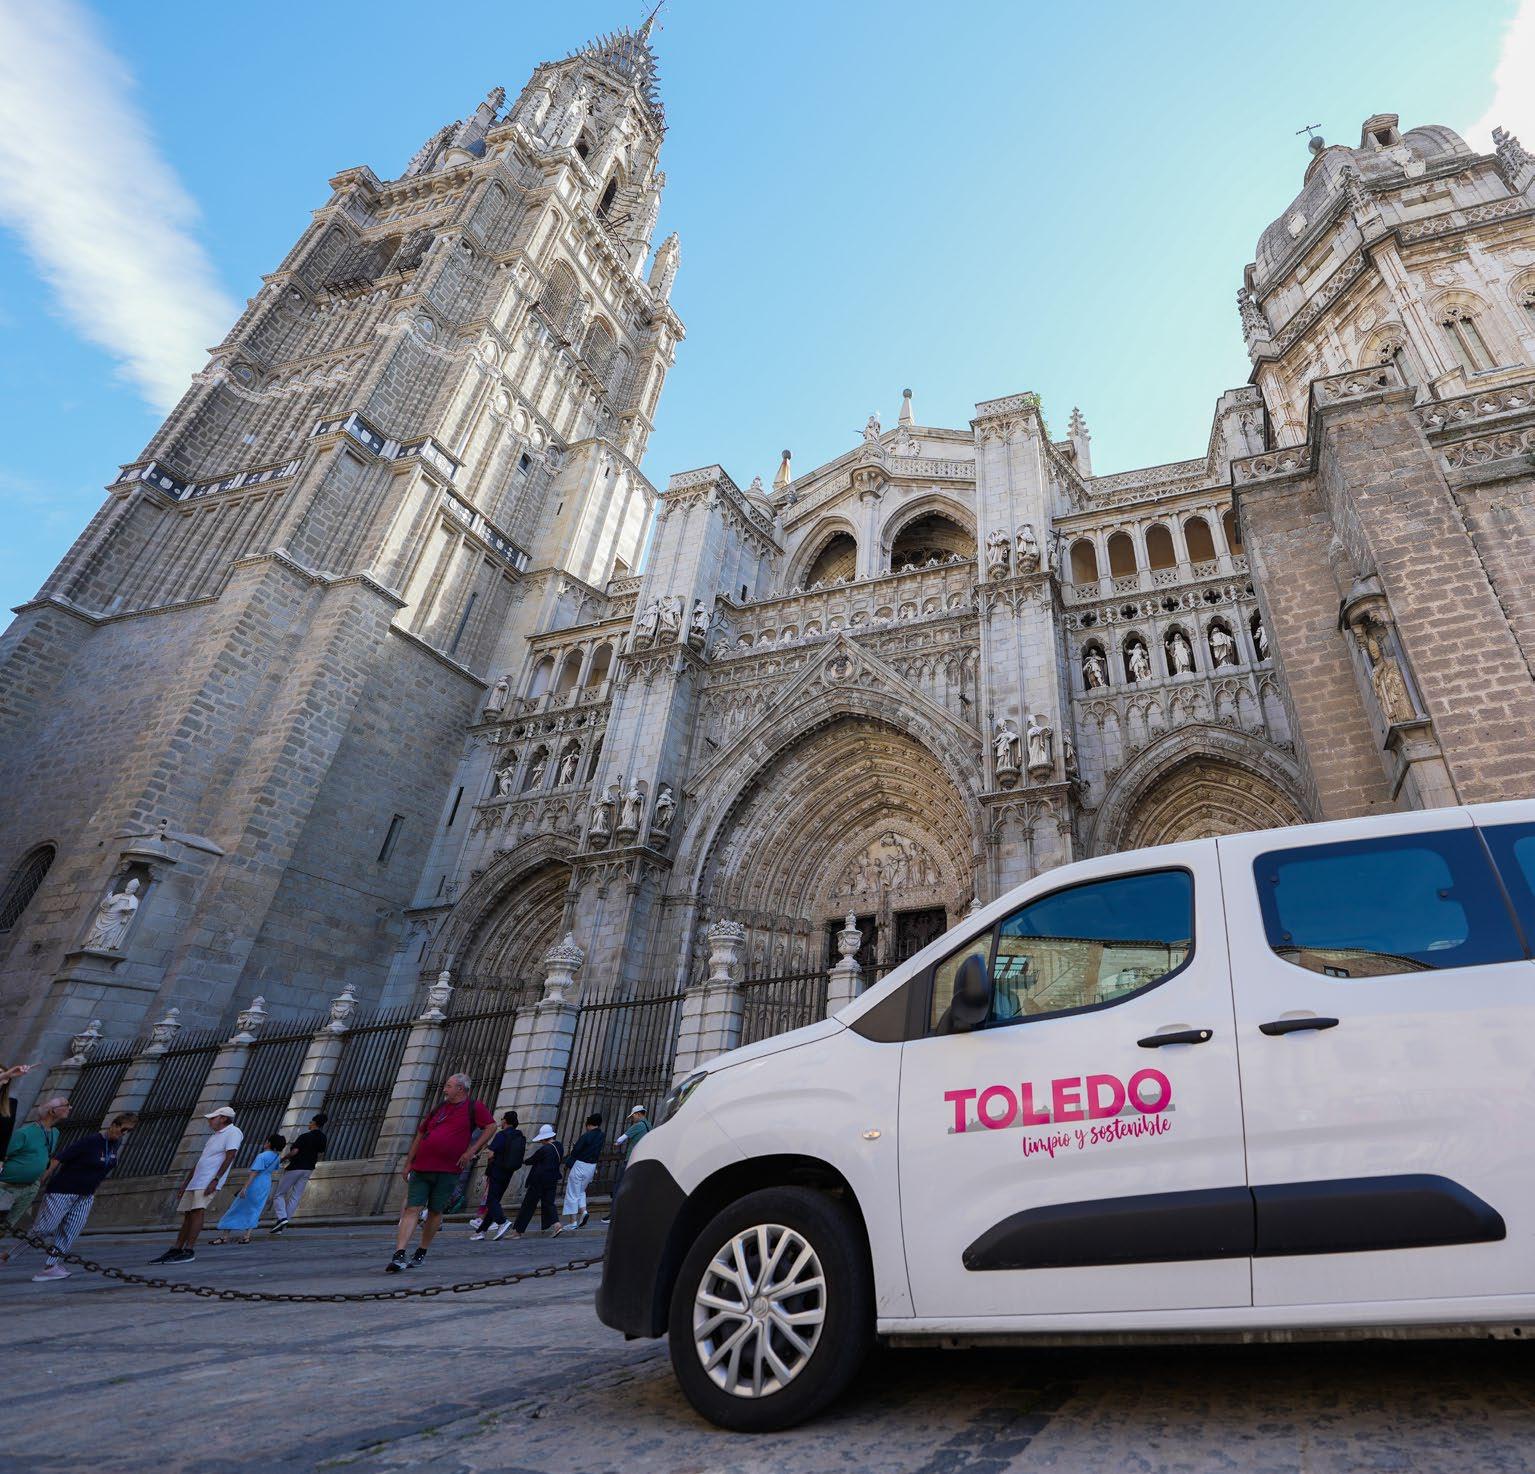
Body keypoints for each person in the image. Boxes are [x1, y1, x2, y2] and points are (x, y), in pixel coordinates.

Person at [2, 1112, 137, 1280]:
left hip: (85, 1196)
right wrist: (40, 1180)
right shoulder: (91, 1141)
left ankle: (51, 1267)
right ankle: (7, 1256)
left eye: (128, 1131)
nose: (124, 1134)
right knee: (44, 1229)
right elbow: (58, 1159)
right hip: (62, 1191)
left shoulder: (116, 1144)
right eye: (123, 1129)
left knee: (71, 1231)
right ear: (114, 1125)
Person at [386, 1073, 494, 1273]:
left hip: (448, 1169)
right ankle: (399, 1253)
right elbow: (421, 1134)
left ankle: (421, 1250)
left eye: (449, 1086)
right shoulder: (439, 1108)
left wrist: (472, 1150)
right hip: (422, 1166)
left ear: (460, 1089)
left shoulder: (474, 1107)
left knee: (435, 1211)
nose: (444, 1089)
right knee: (412, 1208)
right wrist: (408, 1162)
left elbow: (491, 1126)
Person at [154, 1106, 242, 1265]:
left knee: (197, 1211)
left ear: (223, 1118)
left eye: (213, 1118)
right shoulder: (214, 1136)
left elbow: (230, 1156)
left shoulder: (233, 1132)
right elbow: (202, 1160)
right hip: (197, 1180)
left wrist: (215, 1180)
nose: (210, 1121)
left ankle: (189, 1249)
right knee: (188, 1214)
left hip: (208, 1179)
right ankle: (177, 1248)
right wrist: (186, 1183)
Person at [0, 1095, 71, 1232]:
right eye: (66, 1106)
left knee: (7, 1226)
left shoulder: (55, 1133)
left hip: (30, 1186)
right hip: (6, 1185)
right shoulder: (24, 1133)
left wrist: (38, 1181)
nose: (70, 1108)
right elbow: (3, 1154)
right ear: (52, 1111)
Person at [210, 1134, 285, 1245]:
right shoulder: (277, 1157)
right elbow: (274, 1168)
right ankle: (247, 1236)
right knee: (256, 1209)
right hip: (266, 1184)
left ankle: (224, 1236)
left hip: (256, 1183)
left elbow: (254, 1174)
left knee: (236, 1208)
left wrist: (244, 1188)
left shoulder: (262, 1156)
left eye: (267, 1141)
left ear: (269, 1143)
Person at [268, 1112, 327, 1234]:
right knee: (296, 1196)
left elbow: (294, 1152)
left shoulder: (304, 1136)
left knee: (279, 1194)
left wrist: (283, 1159)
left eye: (310, 1122)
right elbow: (320, 1153)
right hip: (308, 1169)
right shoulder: (323, 1138)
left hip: (296, 1167)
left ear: (314, 1123)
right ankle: (282, 1226)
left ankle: (282, 1218)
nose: (309, 1124)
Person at [472, 1111, 525, 1241]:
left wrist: (489, 1169)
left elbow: (491, 1153)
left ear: (505, 1121)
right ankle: (481, 1231)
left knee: (491, 1200)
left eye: (502, 1119)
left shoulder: (501, 1135)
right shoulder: (518, 1135)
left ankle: (502, 1221)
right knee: (494, 1201)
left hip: (497, 1170)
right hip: (509, 1172)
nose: (501, 1121)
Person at [558, 1112, 604, 1234]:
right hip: (592, 1166)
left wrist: (574, 1149)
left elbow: (576, 1151)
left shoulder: (586, 1136)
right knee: (581, 1191)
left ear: (589, 1124)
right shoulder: (601, 1136)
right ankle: (583, 1212)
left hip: (580, 1164)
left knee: (572, 1192)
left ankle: (573, 1222)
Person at [512, 1124, 562, 1237]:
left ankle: (517, 1231)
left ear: (544, 1138)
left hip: (539, 1181)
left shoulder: (545, 1149)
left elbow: (531, 1160)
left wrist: (522, 1161)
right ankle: (557, 1224)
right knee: (549, 1203)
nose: (540, 1142)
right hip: (552, 1179)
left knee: (528, 1205)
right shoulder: (559, 1146)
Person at [603, 1105, 649, 1222]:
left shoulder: (638, 1125)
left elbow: (621, 1139)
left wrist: (616, 1144)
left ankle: (614, 1214)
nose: (632, 1119)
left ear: (638, 1114)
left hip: (630, 1159)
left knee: (619, 1185)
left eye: (633, 1116)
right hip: (642, 1159)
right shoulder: (649, 1125)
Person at [0, 1063, 37, 1163]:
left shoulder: (11, 1104)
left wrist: (1, 1160)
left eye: (0, 1073)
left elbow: (6, 1135)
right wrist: (5, 1074)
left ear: (6, 1080)